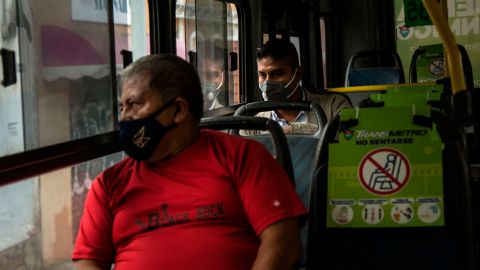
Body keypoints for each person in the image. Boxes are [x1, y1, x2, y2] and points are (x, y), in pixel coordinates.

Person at [72, 54, 308, 270]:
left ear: (178, 110)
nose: (124, 118)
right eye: (122, 108)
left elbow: (283, 244)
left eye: (134, 104)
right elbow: (87, 263)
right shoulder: (110, 185)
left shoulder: (242, 157)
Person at [242, 39, 351, 135]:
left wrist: (295, 130)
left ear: (298, 74)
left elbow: (349, 138)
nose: (268, 82)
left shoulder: (334, 106)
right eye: (262, 75)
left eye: (277, 74)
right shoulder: (253, 125)